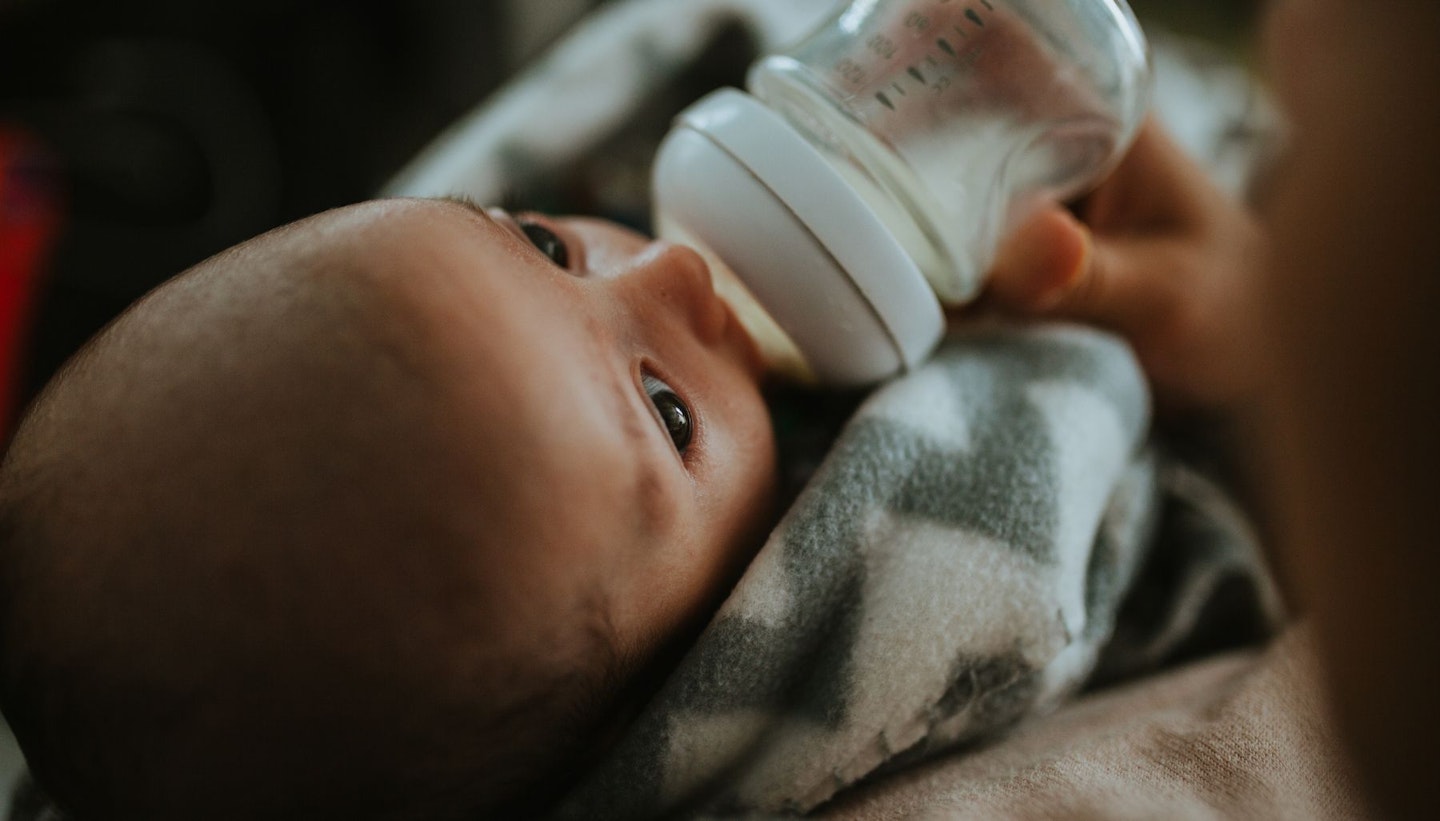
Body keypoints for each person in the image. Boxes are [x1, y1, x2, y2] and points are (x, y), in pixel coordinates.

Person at [0, 0, 1433, 818]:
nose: (675, 266)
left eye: (545, 245)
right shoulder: (853, 650)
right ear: (651, 709)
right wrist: (1245, 375)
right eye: (666, 415)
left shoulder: (628, 288)